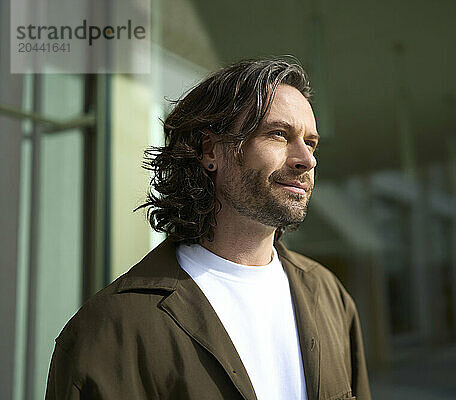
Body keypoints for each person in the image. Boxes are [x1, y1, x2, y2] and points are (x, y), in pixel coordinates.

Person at [45, 59, 371, 400]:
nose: (307, 158)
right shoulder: (113, 329)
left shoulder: (329, 295)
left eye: (311, 142)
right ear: (209, 150)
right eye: (279, 134)